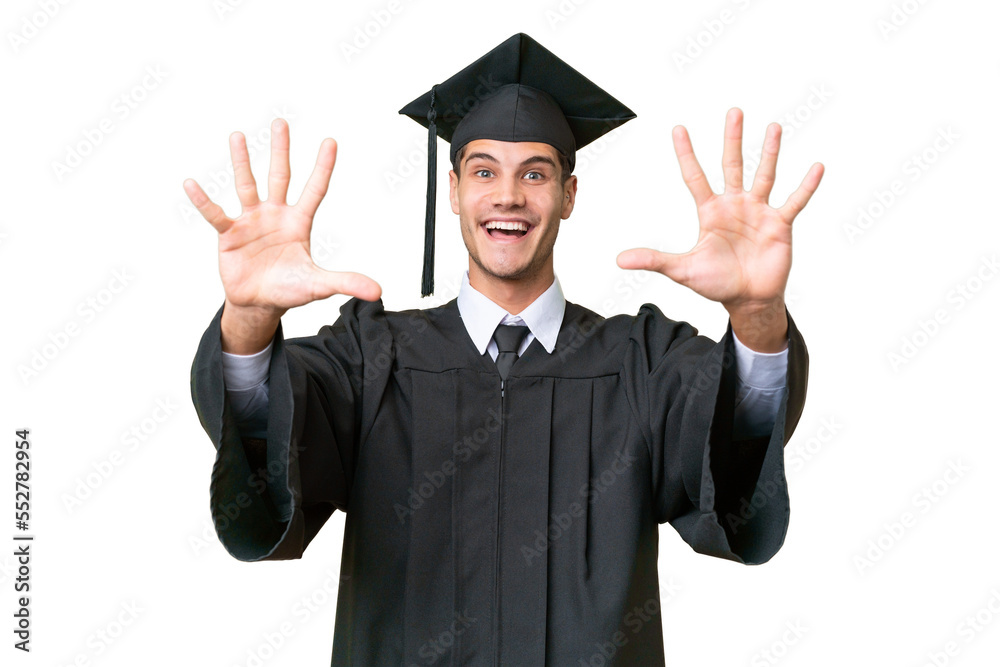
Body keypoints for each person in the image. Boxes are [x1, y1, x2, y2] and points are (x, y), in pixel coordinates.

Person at [186, 33, 822, 666]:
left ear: (568, 195)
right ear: (455, 190)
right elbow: (270, 428)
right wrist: (250, 320)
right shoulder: (372, 355)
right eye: (484, 171)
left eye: (535, 173)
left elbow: (734, 439)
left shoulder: (640, 360)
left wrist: (756, 315)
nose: (508, 195)